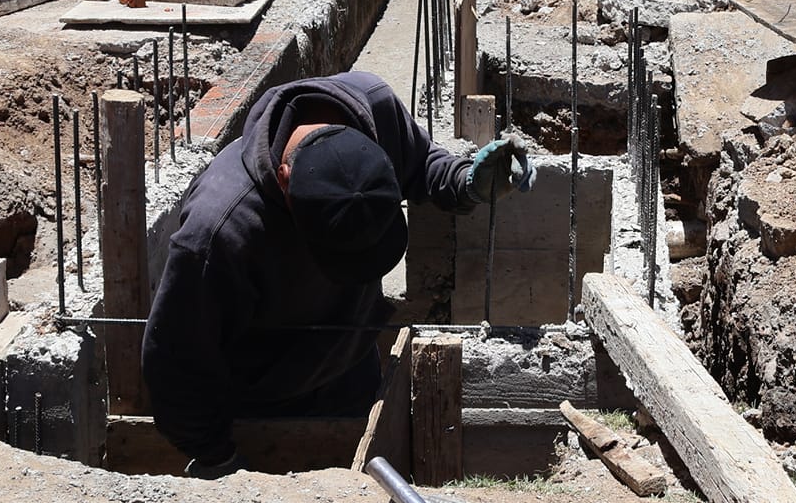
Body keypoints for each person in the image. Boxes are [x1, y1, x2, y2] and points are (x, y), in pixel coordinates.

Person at [142, 71, 533, 478]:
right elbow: (176, 361)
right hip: (260, 409)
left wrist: (465, 181)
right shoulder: (219, 231)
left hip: (353, 371)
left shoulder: (374, 107)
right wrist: (216, 456)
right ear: (284, 180)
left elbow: (420, 163)